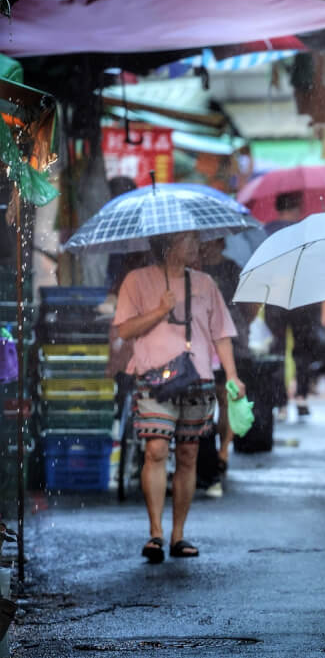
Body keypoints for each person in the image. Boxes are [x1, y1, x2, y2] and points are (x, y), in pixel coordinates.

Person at [113, 231, 245, 563]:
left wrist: (232, 375)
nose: (195, 246)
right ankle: (155, 533)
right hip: (153, 379)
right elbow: (125, 330)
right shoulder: (136, 280)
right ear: (169, 245)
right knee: (156, 449)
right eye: (188, 240)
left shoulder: (205, 283)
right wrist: (160, 311)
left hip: (197, 377)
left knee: (188, 455)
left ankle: (178, 535)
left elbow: (222, 334)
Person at [198, 237, 258, 497]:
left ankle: (223, 450)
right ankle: (211, 453)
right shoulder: (195, 271)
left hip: (230, 340)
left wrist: (237, 324)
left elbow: (251, 307)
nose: (208, 246)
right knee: (207, 398)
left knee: (226, 396)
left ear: (221, 244)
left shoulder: (233, 270)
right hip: (202, 341)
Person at [263, 190, 323, 418]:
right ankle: (301, 397)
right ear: (297, 208)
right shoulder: (306, 231)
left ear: (278, 208)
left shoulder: (266, 231)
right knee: (303, 350)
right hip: (304, 298)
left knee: (276, 349)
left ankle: (279, 403)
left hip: (275, 298)